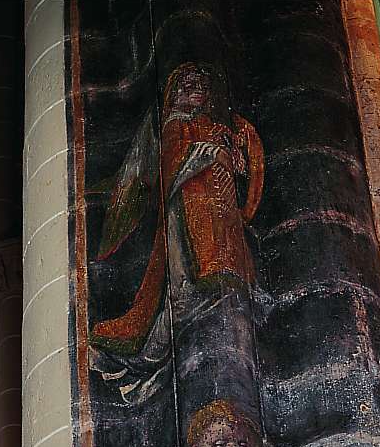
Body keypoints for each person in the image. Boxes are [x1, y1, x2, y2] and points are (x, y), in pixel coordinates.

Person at [90, 63, 265, 402]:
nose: (195, 87)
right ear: (174, 93)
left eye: (201, 82)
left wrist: (236, 157)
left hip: (218, 226)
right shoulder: (173, 126)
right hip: (185, 221)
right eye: (187, 83)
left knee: (210, 294)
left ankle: (149, 366)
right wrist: (210, 153)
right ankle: (144, 362)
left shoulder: (209, 125)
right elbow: (170, 173)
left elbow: (239, 165)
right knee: (183, 294)